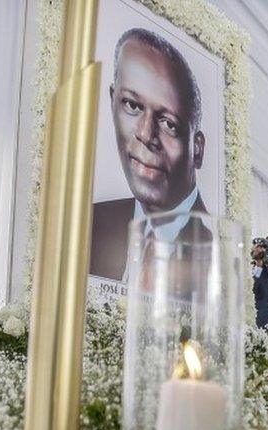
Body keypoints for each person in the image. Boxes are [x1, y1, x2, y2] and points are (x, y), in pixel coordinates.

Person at [90, 27, 211, 281]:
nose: (145, 134)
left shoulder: (220, 251)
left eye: (169, 123)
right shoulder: (90, 224)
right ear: (113, 102)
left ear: (197, 149)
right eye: (132, 106)